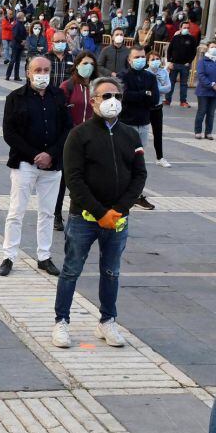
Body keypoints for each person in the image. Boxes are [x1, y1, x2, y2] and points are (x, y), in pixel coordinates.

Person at [52, 77, 146, 349]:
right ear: (93, 100)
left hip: (117, 219)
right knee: (71, 270)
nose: (112, 101)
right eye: (105, 96)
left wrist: (118, 210)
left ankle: (107, 321)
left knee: (111, 271)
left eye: (116, 95)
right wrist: (100, 212)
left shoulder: (130, 134)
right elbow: (74, 179)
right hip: (84, 218)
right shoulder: (79, 134)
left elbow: (139, 175)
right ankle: (61, 321)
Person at [0, 56, 70, 278]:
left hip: (52, 164)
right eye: (37, 69)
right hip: (24, 163)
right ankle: (9, 256)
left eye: (46, 70)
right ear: (28, 72)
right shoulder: (15, 98)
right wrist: (33, 155)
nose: (42, 74)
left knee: (47, 213)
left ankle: (44, 256)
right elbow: (9, 132)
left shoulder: (58, 96)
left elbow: (68, 129)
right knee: (16, 211)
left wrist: (51, 154)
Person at [55, 51, 98, 230]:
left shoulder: (97, 86)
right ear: (77, 64)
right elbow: (60, 112)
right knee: (64, 179)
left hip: (91, 139)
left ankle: (83, 212)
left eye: (91, 64)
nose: (88, 67)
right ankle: (56, 214)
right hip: (70, 139)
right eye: (84, 63)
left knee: (88, 179)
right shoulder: (68, 86)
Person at [119, 46, 157, 210]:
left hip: (143, 123)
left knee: (139, 162)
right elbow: (125, 97)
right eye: (136, 57)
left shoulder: (150, 76)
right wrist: (144, 94)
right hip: (127, 123)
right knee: (125, 160)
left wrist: (142, 95)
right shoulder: (123, 76)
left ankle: (137, 194)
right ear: (129, 59)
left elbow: (154, 98)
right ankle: (122, 192)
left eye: (142, 57)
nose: (140, 60)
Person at [146, 52, 172, 168]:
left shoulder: (163, 72)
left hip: (157, 107)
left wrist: (155, 89)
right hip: (145, 107)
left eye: (157, 59)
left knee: (158, 133)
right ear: (148, 61)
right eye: (152, 59)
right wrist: (156, 90)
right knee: (139, 132)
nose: (155, 61)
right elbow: (145, 89)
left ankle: (159, 157)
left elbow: (168, 88)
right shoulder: (145, 73)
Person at [166, 22, 198, 108]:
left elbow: (194, 52)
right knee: (171, 83)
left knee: (184, 84)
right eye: (184, 27)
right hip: (174, 64)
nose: (186, 29)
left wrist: (189, 62)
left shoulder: (192, 39)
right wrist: (169, 62)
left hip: (185, 65)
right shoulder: (175, 38)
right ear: (180, 28)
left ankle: (183, 101)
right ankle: (168, 100)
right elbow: (169, 50)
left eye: (188, 27)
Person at [195, 41, 216, 140]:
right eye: (212, 47)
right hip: (203, 91)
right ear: (208, 48)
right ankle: (198, 131)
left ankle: (208, 132)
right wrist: (211, 84)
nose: (214, 49)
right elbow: (201, 75)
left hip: (214, 92)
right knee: (202, 111)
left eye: (215, 47)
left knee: (211, 113)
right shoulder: (202, 61)